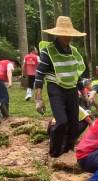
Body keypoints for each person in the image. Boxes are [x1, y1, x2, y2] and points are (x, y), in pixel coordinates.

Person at [34, 16, 86, 157]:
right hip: (55, 88)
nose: (68, 37)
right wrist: (38, 99)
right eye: (65, 34)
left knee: (74, 124)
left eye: (69, 35)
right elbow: (39, 76)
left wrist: (84, 93)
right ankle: (54, 152)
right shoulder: (48, 52)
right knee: (62, 121)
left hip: (71, 89)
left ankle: (67, 148)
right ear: (57, 34)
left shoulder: (73, 51)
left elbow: (77, 74)